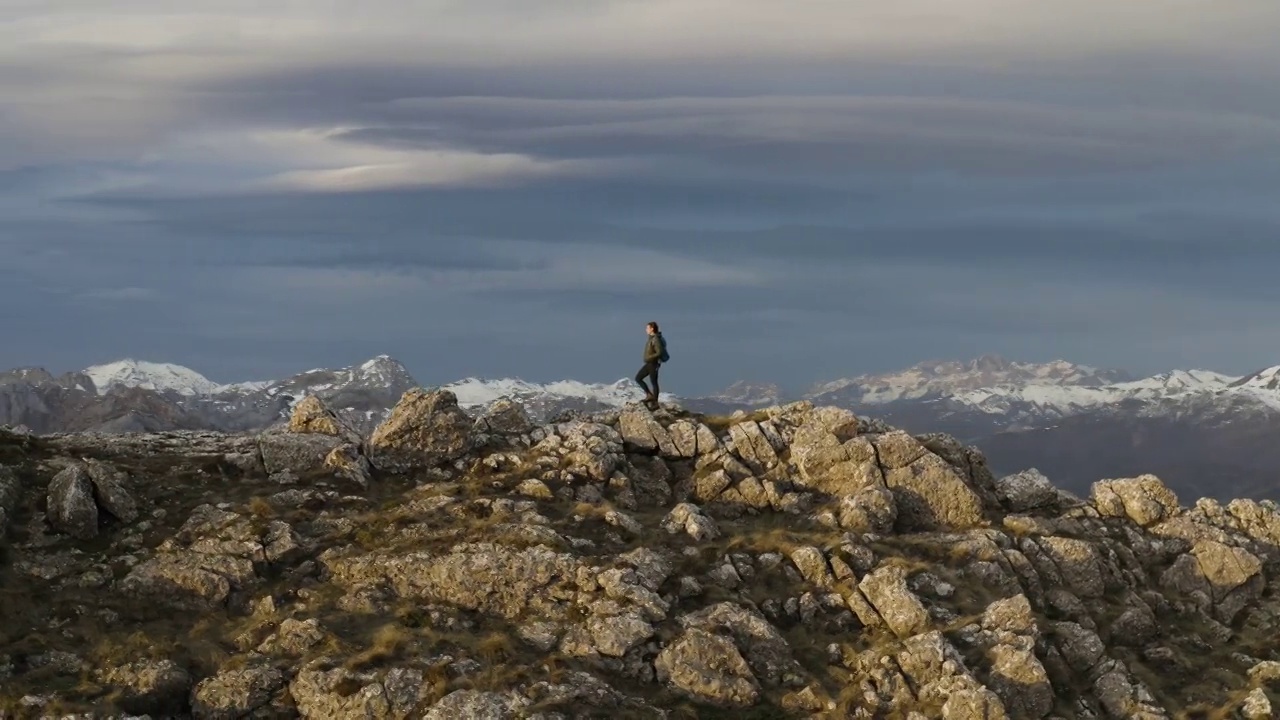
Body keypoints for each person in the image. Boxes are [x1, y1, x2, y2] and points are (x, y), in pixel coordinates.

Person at [635, 321, 667, 408]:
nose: (646, 330)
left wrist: (650, 357)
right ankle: (649, 395)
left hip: (653, 363)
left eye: (647, 328)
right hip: (649, 363)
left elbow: (659, 352)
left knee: (654, 382)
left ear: (652, 329)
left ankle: (655, 402)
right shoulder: (651, 338)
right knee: (638, 378)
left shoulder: (655, 339)